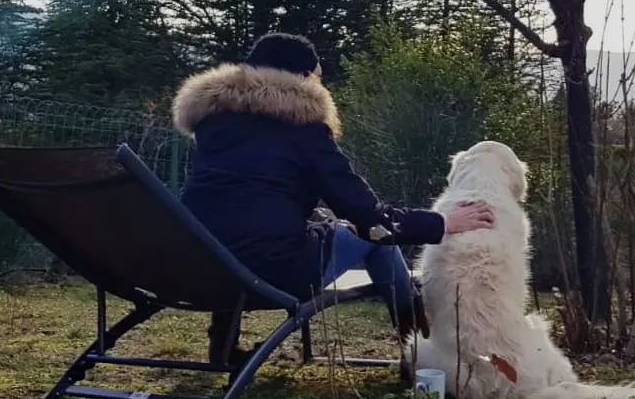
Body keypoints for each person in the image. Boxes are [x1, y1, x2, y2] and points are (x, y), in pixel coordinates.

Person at [172, 32, 495, 367]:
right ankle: (419, 353)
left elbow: (241, 202)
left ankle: (222, 347)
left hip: (202, 268)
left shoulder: (214, 124)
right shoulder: (302, 126)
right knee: (372, 238)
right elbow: (369, 219)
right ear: (300, 79)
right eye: (317, 77)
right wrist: (442, 223)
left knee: (234, 234)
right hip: (274, 271)